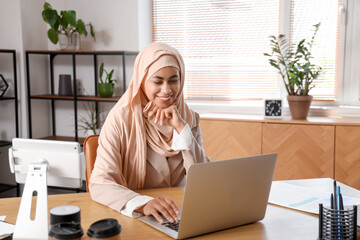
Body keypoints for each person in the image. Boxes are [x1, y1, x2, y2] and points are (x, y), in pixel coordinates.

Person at [89, 42, 209, 224]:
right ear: (142, 80)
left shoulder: (188, 118)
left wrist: (181, 129)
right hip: (135, 217)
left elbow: (204, 180)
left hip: (180, 215)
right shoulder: (120, 119)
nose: (167, 90)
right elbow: (99, 183)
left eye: (173, 80)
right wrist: (142, 204)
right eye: (158, 81)